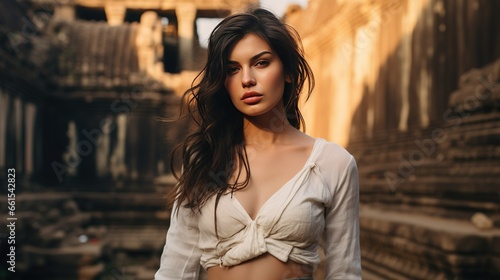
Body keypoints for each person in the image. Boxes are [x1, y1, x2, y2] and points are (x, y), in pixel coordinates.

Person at [155, 7, 361, 280]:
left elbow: (344, 273)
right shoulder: (205, 159)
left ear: (287, 71)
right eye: (233, 69)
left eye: (261, 63)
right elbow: (175, 269)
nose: (247, 79)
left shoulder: (331, 163)